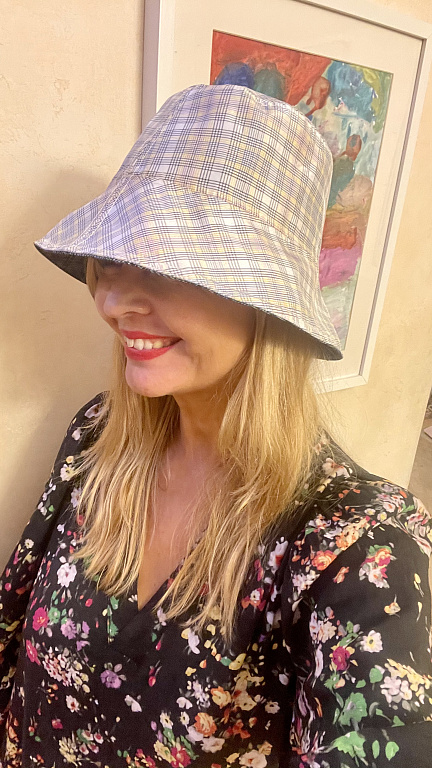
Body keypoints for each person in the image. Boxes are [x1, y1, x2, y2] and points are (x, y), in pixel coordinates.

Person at [1, 84, 431, 768]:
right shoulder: (98, 438)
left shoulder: (357, 549)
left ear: (266, 301)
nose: (114, 300)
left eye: (168, 264)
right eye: (111, 260)